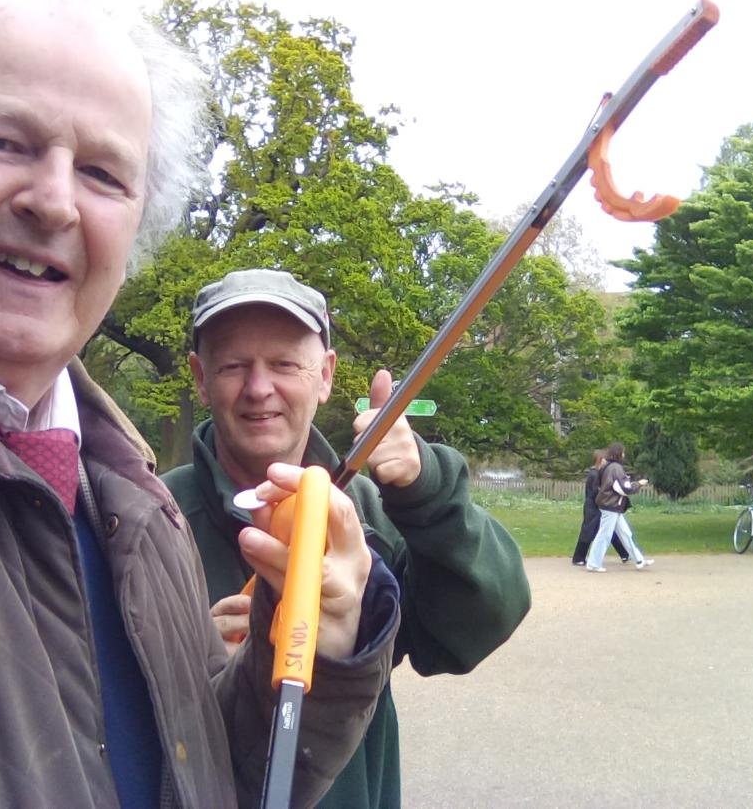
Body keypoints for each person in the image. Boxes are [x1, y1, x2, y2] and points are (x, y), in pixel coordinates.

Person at [0, 2, 402, 807]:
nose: (54, 202)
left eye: (104, 174)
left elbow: (197, 778)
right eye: (2, 141)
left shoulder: (136, 506)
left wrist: (309, 656)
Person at [162, 268, 532, 808]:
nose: (259, 387)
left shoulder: (373, 512)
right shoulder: (150, 514)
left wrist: (426, 491)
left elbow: (477, 627)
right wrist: (193, 668)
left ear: (326, 375)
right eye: (234, 365)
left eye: (285, 364)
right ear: (200, 376)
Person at [585, 442, 654, 572]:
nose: (624, 454)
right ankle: (593, 563)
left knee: (626, 533)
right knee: (604, 535)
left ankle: (639, 560)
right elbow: (624, 488)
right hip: (611, 505)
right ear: (618, 453)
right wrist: (638, 484)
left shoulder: (608, 466)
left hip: (611, 505)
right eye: (623, 452)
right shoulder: (616, 468)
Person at [571, 449, 630, 565]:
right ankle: (578, 557)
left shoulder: (597, 473)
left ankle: (624, 553)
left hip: (598, 506)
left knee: (610, 530)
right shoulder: (594, 474)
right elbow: (596, 492)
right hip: (593, 507)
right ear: (600, 460)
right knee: (588, 531)